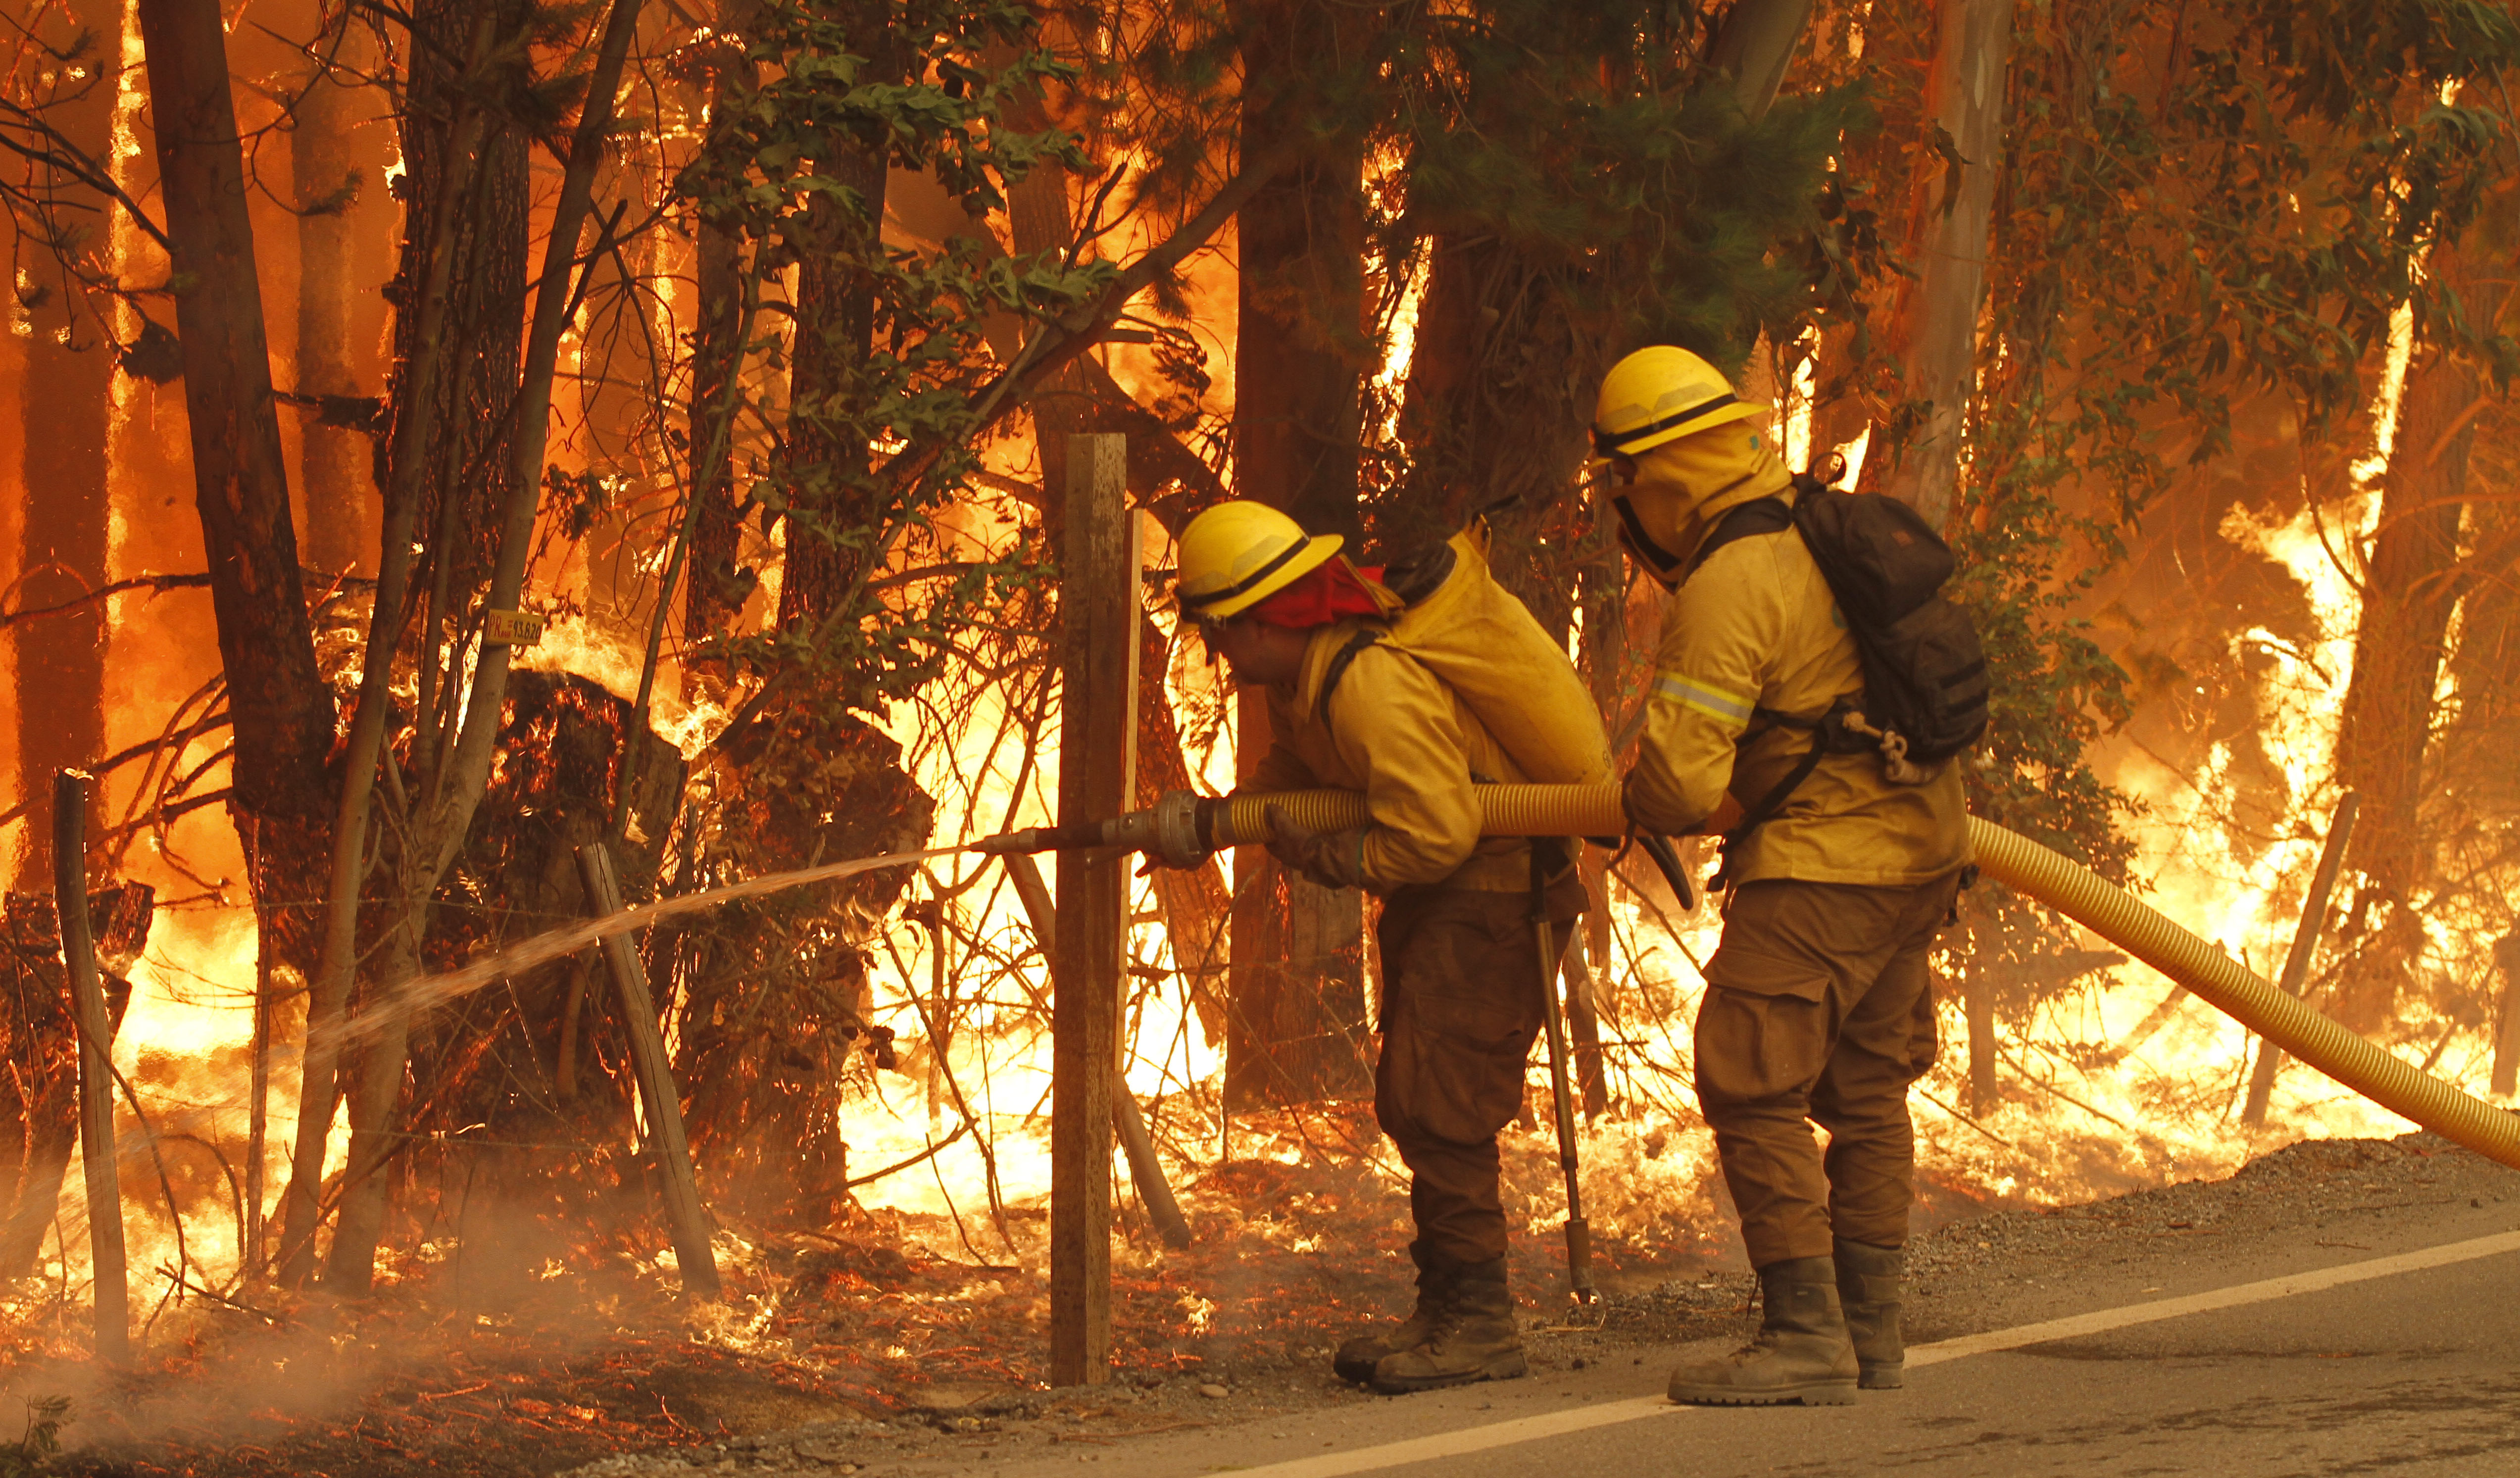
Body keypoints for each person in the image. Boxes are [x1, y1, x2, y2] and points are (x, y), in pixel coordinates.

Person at [1594, 346, 1971, 1406]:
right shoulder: (1816, 525)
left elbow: (1673, 786)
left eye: (1626, 482)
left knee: (1749, 1076)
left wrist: (1633, 793)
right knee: (1864, 1089)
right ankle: (1870, 1330)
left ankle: (1806, 1335)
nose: (1627, 507)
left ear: (1662, 475)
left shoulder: (1728, 576)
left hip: (1824, 863)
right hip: (1921, 846)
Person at [1172, 499, 1588, 1395]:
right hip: (1447, 900)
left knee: (1442, 1104)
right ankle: (1445, 1309)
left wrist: (1339, 856)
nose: (1218, 656)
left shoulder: (1366, 679)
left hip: (1489, 896)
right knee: (1415, 1098)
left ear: (1264, 614)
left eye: (1217, 632)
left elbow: (1437, 828)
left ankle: (1479, 1324)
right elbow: (1306, 775)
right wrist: (1216, 820)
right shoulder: (1306, 678)